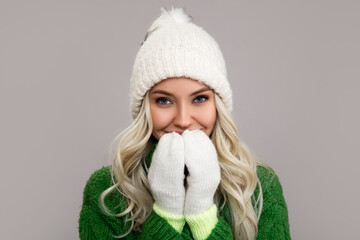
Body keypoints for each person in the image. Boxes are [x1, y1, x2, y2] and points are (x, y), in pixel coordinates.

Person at [79, 7, 290, 240]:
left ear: (217, 104)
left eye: (199, 99)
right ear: (145, 107)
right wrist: (167, 213)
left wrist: (202, 214)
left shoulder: (260, 188)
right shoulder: (107, 193)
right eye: (164, 100)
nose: (182, 119)